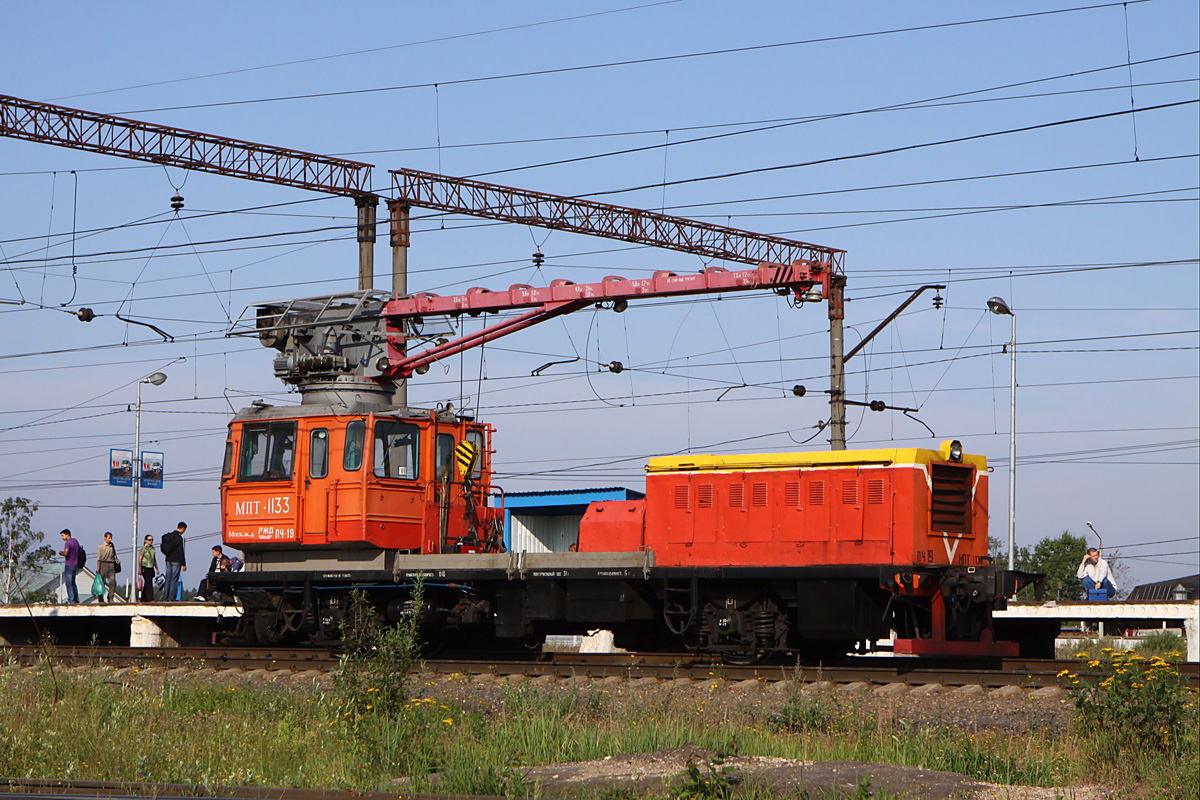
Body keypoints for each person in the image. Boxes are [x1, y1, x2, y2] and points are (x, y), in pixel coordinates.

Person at [160, 521, 187, 601]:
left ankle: (165, 597)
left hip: (168, 559)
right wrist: (184, 564)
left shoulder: (169, 536)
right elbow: (181, 551)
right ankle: (171, 597)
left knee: (168, 578)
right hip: (176, 560)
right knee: (174, 579)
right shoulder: (179, 538)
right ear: (183, 529)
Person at [96, 531, 120, 603]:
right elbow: (98, 558)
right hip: (103, 564)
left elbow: (114, 554)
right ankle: (100, 599)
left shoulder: (112, 546)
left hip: (111, 564)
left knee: (112, 582)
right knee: (102, 582)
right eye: (109, 538)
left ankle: (110, 598)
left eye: (111, 538)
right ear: (105, 538)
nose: (110, 539)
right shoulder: (101, 547)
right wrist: (98, 568)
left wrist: (117, 560)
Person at [59, 529, 81, 604]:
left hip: (69, 564)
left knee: (69, 583)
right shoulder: (75, 541)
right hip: (75, 564)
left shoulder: (68, 543)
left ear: (67, 534)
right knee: (73, 582)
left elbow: (66, 553)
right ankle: (76, 599)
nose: (62, 537)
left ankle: (71, 600)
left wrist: (61, 553)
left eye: (63, 535)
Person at [139, 534, 158, 602]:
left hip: (151, 567)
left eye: (152, 540)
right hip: (145, 567)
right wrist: (140, 568)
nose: (151, 541)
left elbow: (154, 559)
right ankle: (150, 598)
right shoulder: (143, 549)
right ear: (146, 540)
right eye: (149, 540)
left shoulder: (153, 549)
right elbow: (140, 558)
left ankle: (143, 598)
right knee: (148, 582)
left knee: (147, 583)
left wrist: (156, 568)